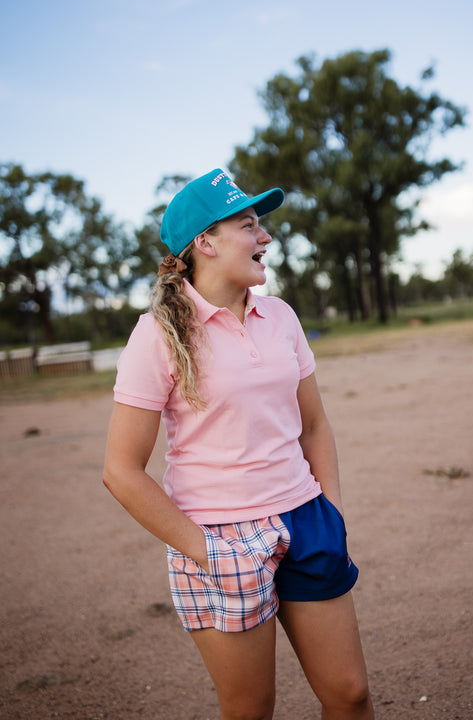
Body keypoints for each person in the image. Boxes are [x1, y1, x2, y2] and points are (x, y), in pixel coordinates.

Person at [103, 167, 374, 720]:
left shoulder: (281, 317)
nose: (266, 237)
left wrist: (334, 512)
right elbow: (121, 471)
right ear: (204, 241)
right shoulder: (156, 336)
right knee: (251, 709)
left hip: (307, 518)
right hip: (217, 537)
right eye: (250, 225)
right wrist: (211, 553)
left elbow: (315, 426)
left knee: (349, 695)